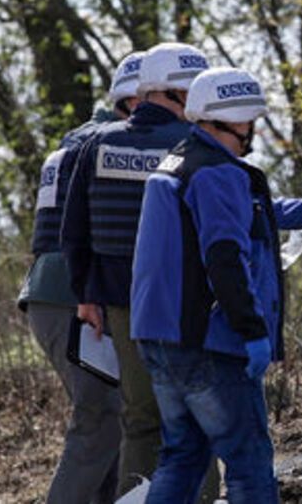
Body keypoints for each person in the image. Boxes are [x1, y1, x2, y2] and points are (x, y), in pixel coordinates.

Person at [130, 67, 302, 503]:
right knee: (248, 464)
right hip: (210, 343)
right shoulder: (217, 172)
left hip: (159, 338)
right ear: (238, 121)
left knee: (182, 456)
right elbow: (224, 258)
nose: (253, 131)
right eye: (252, 122)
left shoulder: (180, 160)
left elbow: (242, 209)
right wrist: (252, 329)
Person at [61, 42, 216, 498]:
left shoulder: (97, 144)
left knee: (140, 417)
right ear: (174, 94)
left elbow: (74, 232)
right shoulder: (193, 147)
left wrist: (86, 296)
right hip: (184, 301)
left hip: (121, 303)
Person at [16, 50, 143, 503]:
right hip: (75, 297)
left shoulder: (78, 139)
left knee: (114, 418)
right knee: (101, 419)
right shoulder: (113, 143)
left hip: (49, 295)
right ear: (136, 101)